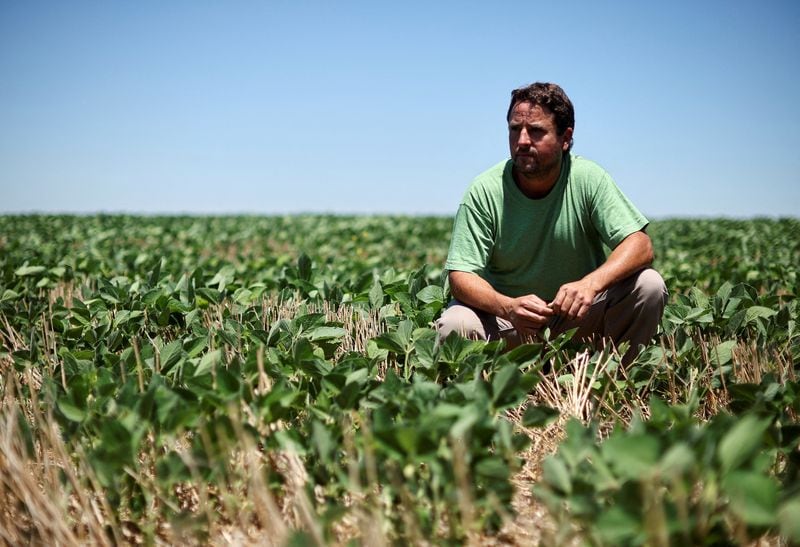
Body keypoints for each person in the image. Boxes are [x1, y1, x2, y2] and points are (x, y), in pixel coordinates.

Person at [435, 82, 667, 363]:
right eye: (514, 129)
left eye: (535, 131)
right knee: (456, 323)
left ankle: (614, 386)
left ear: (565, 138)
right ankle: (482, 401)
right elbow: (460, 276)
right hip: (509, 324)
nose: (521, 141)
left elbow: (640, 245)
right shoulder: (485, 189)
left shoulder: (587, 178)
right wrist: (507, 306)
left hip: (577, 320)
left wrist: (590, 285)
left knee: (649, 285)